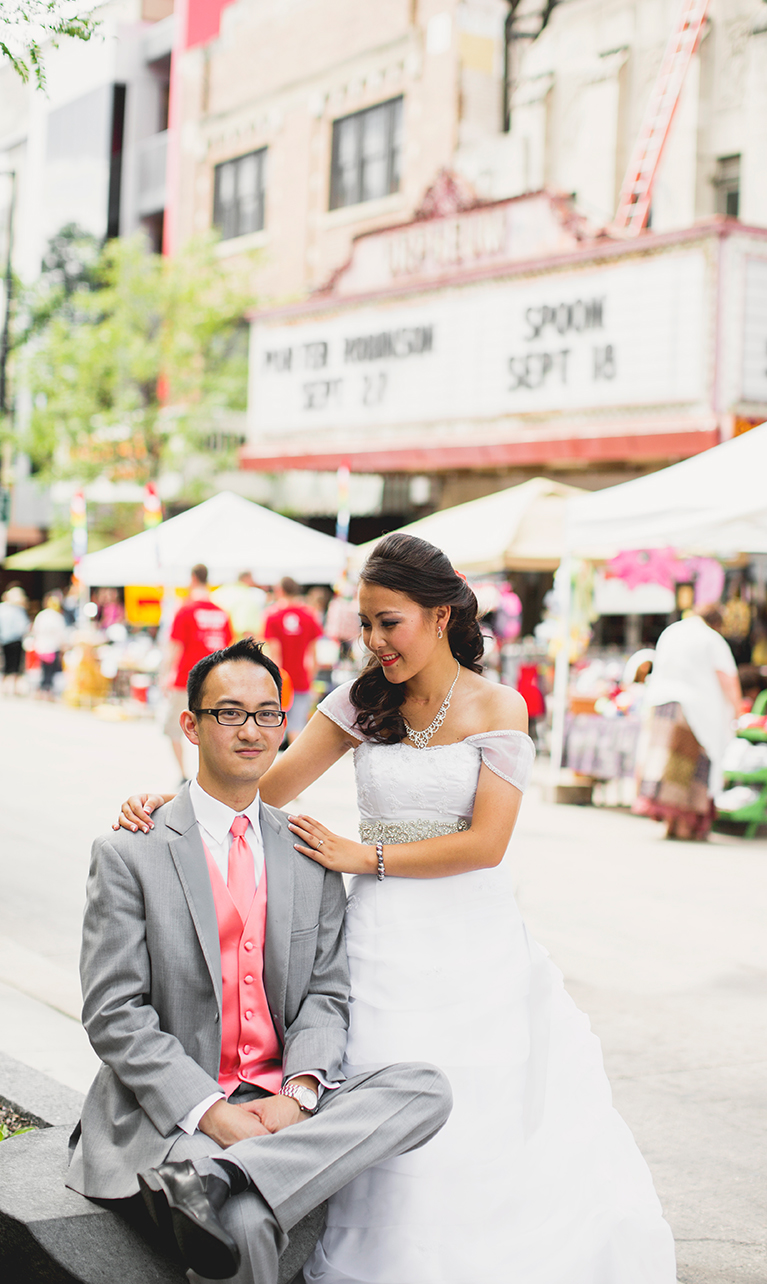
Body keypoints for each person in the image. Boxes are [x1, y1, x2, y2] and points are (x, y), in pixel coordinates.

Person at [116, 533, 677, 1281]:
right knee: (359, 1075)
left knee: (474, 1094)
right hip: (377, 930)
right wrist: (172, 804)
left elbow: (487, 844)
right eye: (366, 624)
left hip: (470, 934)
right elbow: (266, 785)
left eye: (390, 622)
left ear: (441, 616)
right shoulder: (362, 700)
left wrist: (363, 857)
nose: (375, 641)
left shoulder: (499, 706)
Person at [70, 639, 453, 1284]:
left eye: (268, 714)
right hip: (175, 1108)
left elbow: (326, 995)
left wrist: (299, 1095)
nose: (252, 731)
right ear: (191, 725)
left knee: (424, 1088)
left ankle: (217, 1177)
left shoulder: (309, 851)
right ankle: (217, 1175)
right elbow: (114, 1014)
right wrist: (212, 1112)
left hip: (277, 1095)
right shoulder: (130, 852)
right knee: (246, 1226)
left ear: (284, 724)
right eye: (229, 713)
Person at [636, 602, 744, 840]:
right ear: (716, 623)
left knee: (667, 769)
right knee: (690, 770)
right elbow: (727, 679)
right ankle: (685, 826)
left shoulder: (672, 631)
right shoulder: (711, 639)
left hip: (661, 706)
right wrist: (738, 711)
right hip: (696, 712)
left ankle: (670, 824)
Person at [165, 566, 235, 780]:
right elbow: (228, 648)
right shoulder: (221, 612)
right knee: (211, 729)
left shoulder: (185, 610)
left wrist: (166, 675)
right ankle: (207, 775)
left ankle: (184, 774)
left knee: (175, 727)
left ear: (193, 579)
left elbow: (175, 647)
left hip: (185, 678)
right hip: (216, 680)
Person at [263, 578, 324, 746]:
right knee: (296, 727)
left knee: (274, 726)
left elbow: (275, 655)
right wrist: (311, 679)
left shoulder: (273, 616)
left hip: (281, 680)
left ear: (280, 591)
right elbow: (313, 655)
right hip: (301, 678)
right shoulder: (309, 615)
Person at [213, 570, 269, 642]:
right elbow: (247, 629)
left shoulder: (219, 593)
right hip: (237, 644)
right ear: (247, 578)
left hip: (216, 643)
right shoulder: (247, 597)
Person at [31, 592, 68, 698]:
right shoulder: (57, 616)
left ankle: (44, 689)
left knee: (44, 670)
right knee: (50, 671)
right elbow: (62, 634)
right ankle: (46, 689)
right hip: (52, 647)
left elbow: (35, 630)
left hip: (42, 647)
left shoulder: (42, 615)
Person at [0, 585, 29, 695]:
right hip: (15, 639)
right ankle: (12, 687)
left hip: (5, 639)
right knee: (15, 664)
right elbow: (23, 626)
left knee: (7, 663)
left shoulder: (3, 608)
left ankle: (6, 687)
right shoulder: (18, 609)